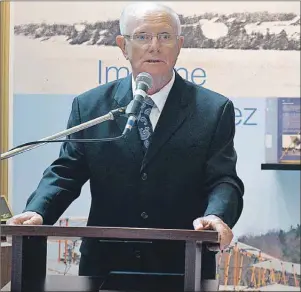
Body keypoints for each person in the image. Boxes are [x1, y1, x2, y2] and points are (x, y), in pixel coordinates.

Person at [7, 2, 244, 291]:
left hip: (182, 268)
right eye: (143, 36)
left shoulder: (213, 109)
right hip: (103, 267)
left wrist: (216, 215)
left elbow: (223, 179)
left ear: (179, 45)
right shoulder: (92, 106)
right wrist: (39, 211)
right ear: (123, 46)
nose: (155, 46)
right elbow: (66, 172)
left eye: (165, 36)